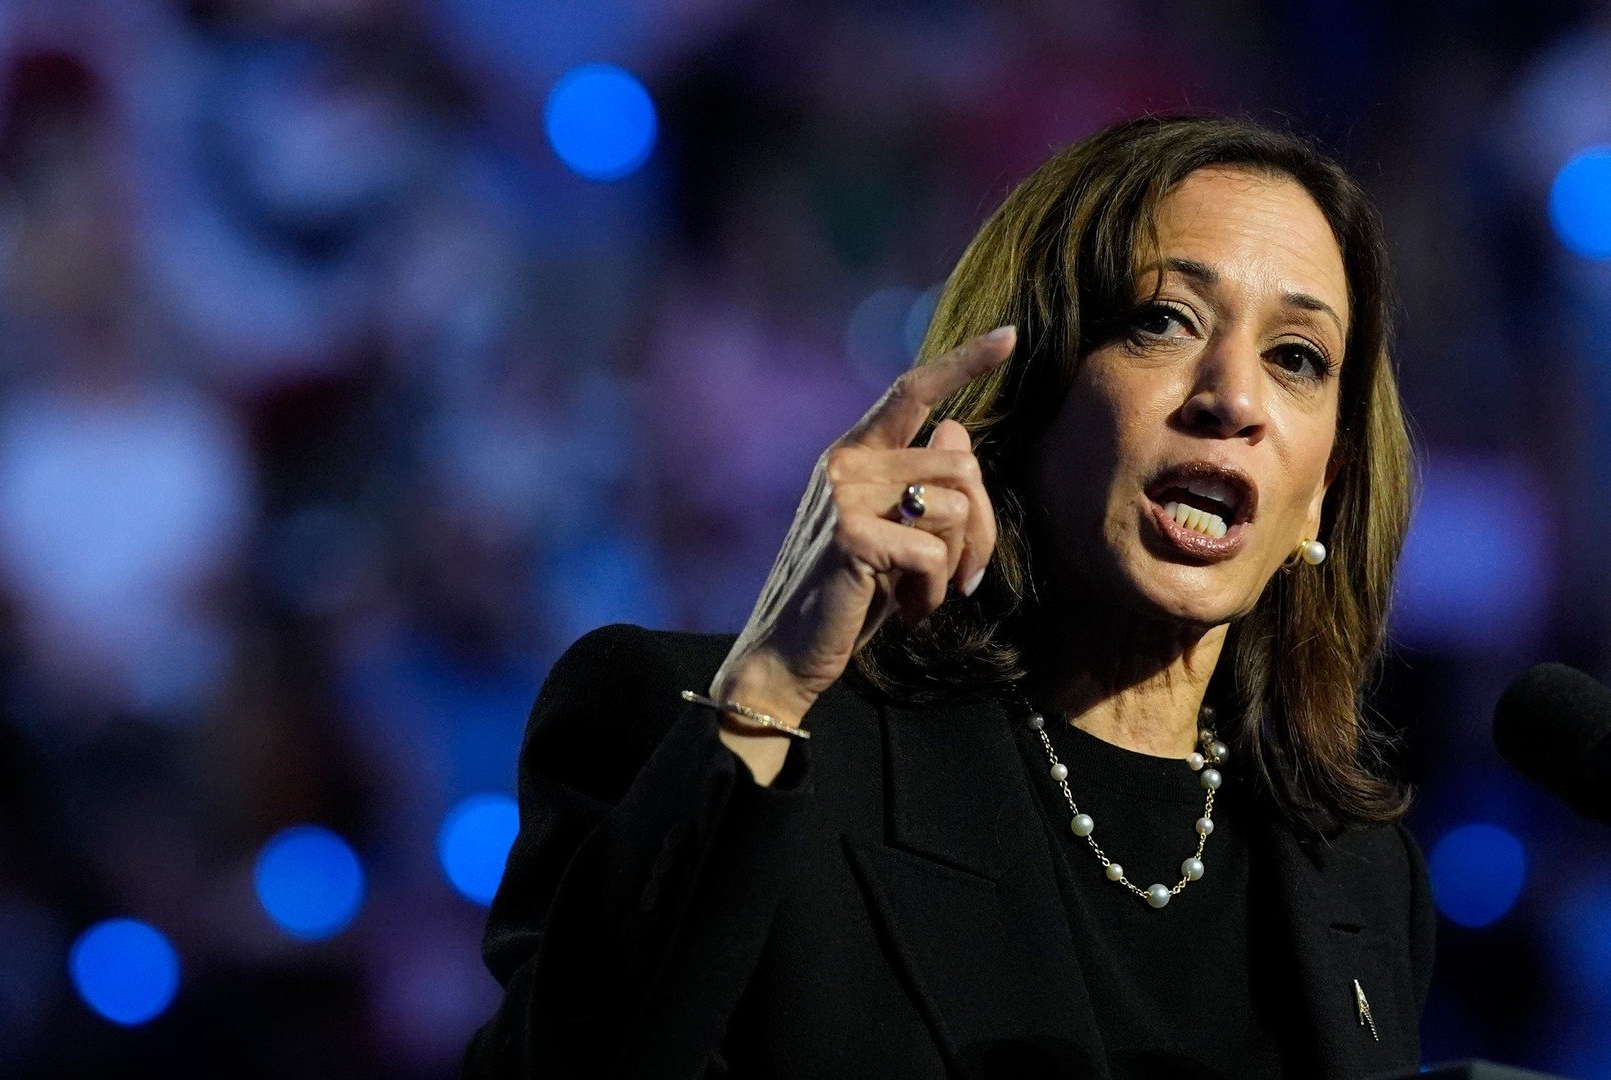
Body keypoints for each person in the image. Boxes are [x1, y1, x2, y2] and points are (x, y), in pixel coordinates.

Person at [464, 114, 1431, 1080]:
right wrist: (764, 693)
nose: (1235, 399)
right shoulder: (721, 746)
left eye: (1297, 357)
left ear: (1327, 485)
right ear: (1027, 390)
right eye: (1162, 319)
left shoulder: (1357, 875)